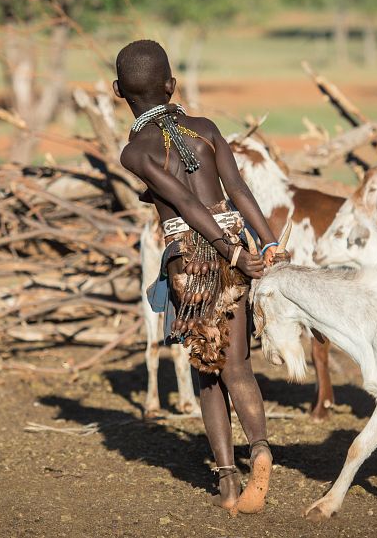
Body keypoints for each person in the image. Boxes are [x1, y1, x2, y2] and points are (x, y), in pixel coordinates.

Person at [114, 40, 285, 514]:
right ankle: (262, 449)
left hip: (190, 261)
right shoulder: (206, 129)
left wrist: (227, 252)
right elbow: (237, 189)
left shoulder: (135, 152)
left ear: (118, 92)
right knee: (239, 366)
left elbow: (185, 206)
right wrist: (264, 244)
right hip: (232, 240)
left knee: (207, 371)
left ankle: (228, 484)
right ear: (171, 86)